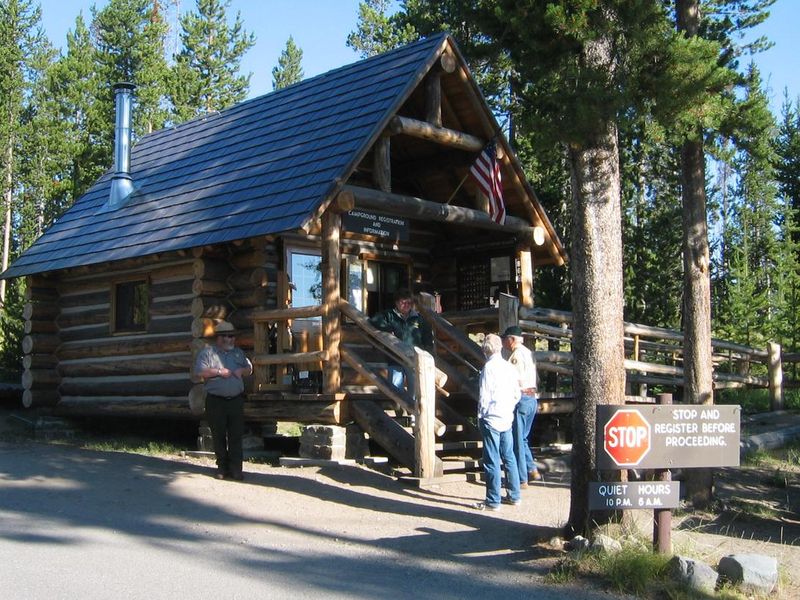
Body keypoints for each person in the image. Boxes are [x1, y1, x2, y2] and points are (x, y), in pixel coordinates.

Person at [194, 321, 253, 481]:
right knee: (218, 434)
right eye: (228, 336)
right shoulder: (208, 353)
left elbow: (249, 368)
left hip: (235, 400)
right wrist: (219, 371)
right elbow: (200, 371)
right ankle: (222, 467)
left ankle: (236, 469)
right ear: (219, 338)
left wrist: (243, 370)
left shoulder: (238, 353)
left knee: (236, 435)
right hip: (215, 401)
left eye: (233, 336)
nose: (231, 339)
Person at [474, 333, 521, 511]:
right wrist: (508, 407)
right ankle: (514, 495)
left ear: (485, 350)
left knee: (492, 459)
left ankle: (493, 500)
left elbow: (484, 395)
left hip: (491, 417)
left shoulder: (489, 368)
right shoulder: (509, 367)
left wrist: (481, 414)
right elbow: (517, 394)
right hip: (506, 416)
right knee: (509, 456)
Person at [369, 288, 434, 394]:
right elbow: (374, 320)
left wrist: (429, 354)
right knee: (395, 389)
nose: (406, 305)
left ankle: (412, 410)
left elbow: (427, 338)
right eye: (403, 302)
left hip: (414, 360)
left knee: (416, 391)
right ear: (396, 303)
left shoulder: (419, 319)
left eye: (409, 302)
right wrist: (388, 329)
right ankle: (400, 410)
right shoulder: (389, 315)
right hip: (395, 357)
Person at [502, 325, 541, 487]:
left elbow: (513, 378)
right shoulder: (528, 353)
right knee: (523, 438)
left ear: (511, 339)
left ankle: (521, 478)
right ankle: (532, 468)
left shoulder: (516, 356)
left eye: (505, 339)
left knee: (517, 439)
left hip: (522, 398)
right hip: (532, 398)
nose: (503, 342)